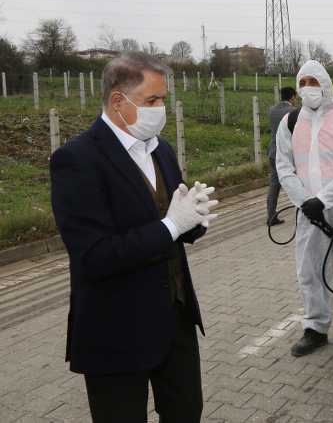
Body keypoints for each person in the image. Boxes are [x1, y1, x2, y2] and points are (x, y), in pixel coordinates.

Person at [49, 53, 218, 423]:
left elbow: (174, 214)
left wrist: (195, 219)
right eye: (152, 101)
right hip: (116, 327)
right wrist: (172, 225)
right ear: (117, 101)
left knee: (187, 412)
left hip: (174, 317)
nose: (161, 109)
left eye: (164, 100)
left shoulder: (161, 148)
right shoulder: (77, 160)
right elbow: (94, 256)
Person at [274, 60, 333, 357]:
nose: (309, 88)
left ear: (326, 84)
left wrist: (322, 199)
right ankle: (315, 327)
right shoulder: (291, 122)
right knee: (309, 269)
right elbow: (284, 166)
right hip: (308, 212)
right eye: (304, 82)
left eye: (314, 81)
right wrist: (303, 201)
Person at [267, 86, 297, 226]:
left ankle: (271, 215)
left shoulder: (272, 110)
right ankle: (301, 211)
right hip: (288, 154)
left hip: (273, 152)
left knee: (274, 185)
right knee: (298, 182)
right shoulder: (294, 112)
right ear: (292, 97)